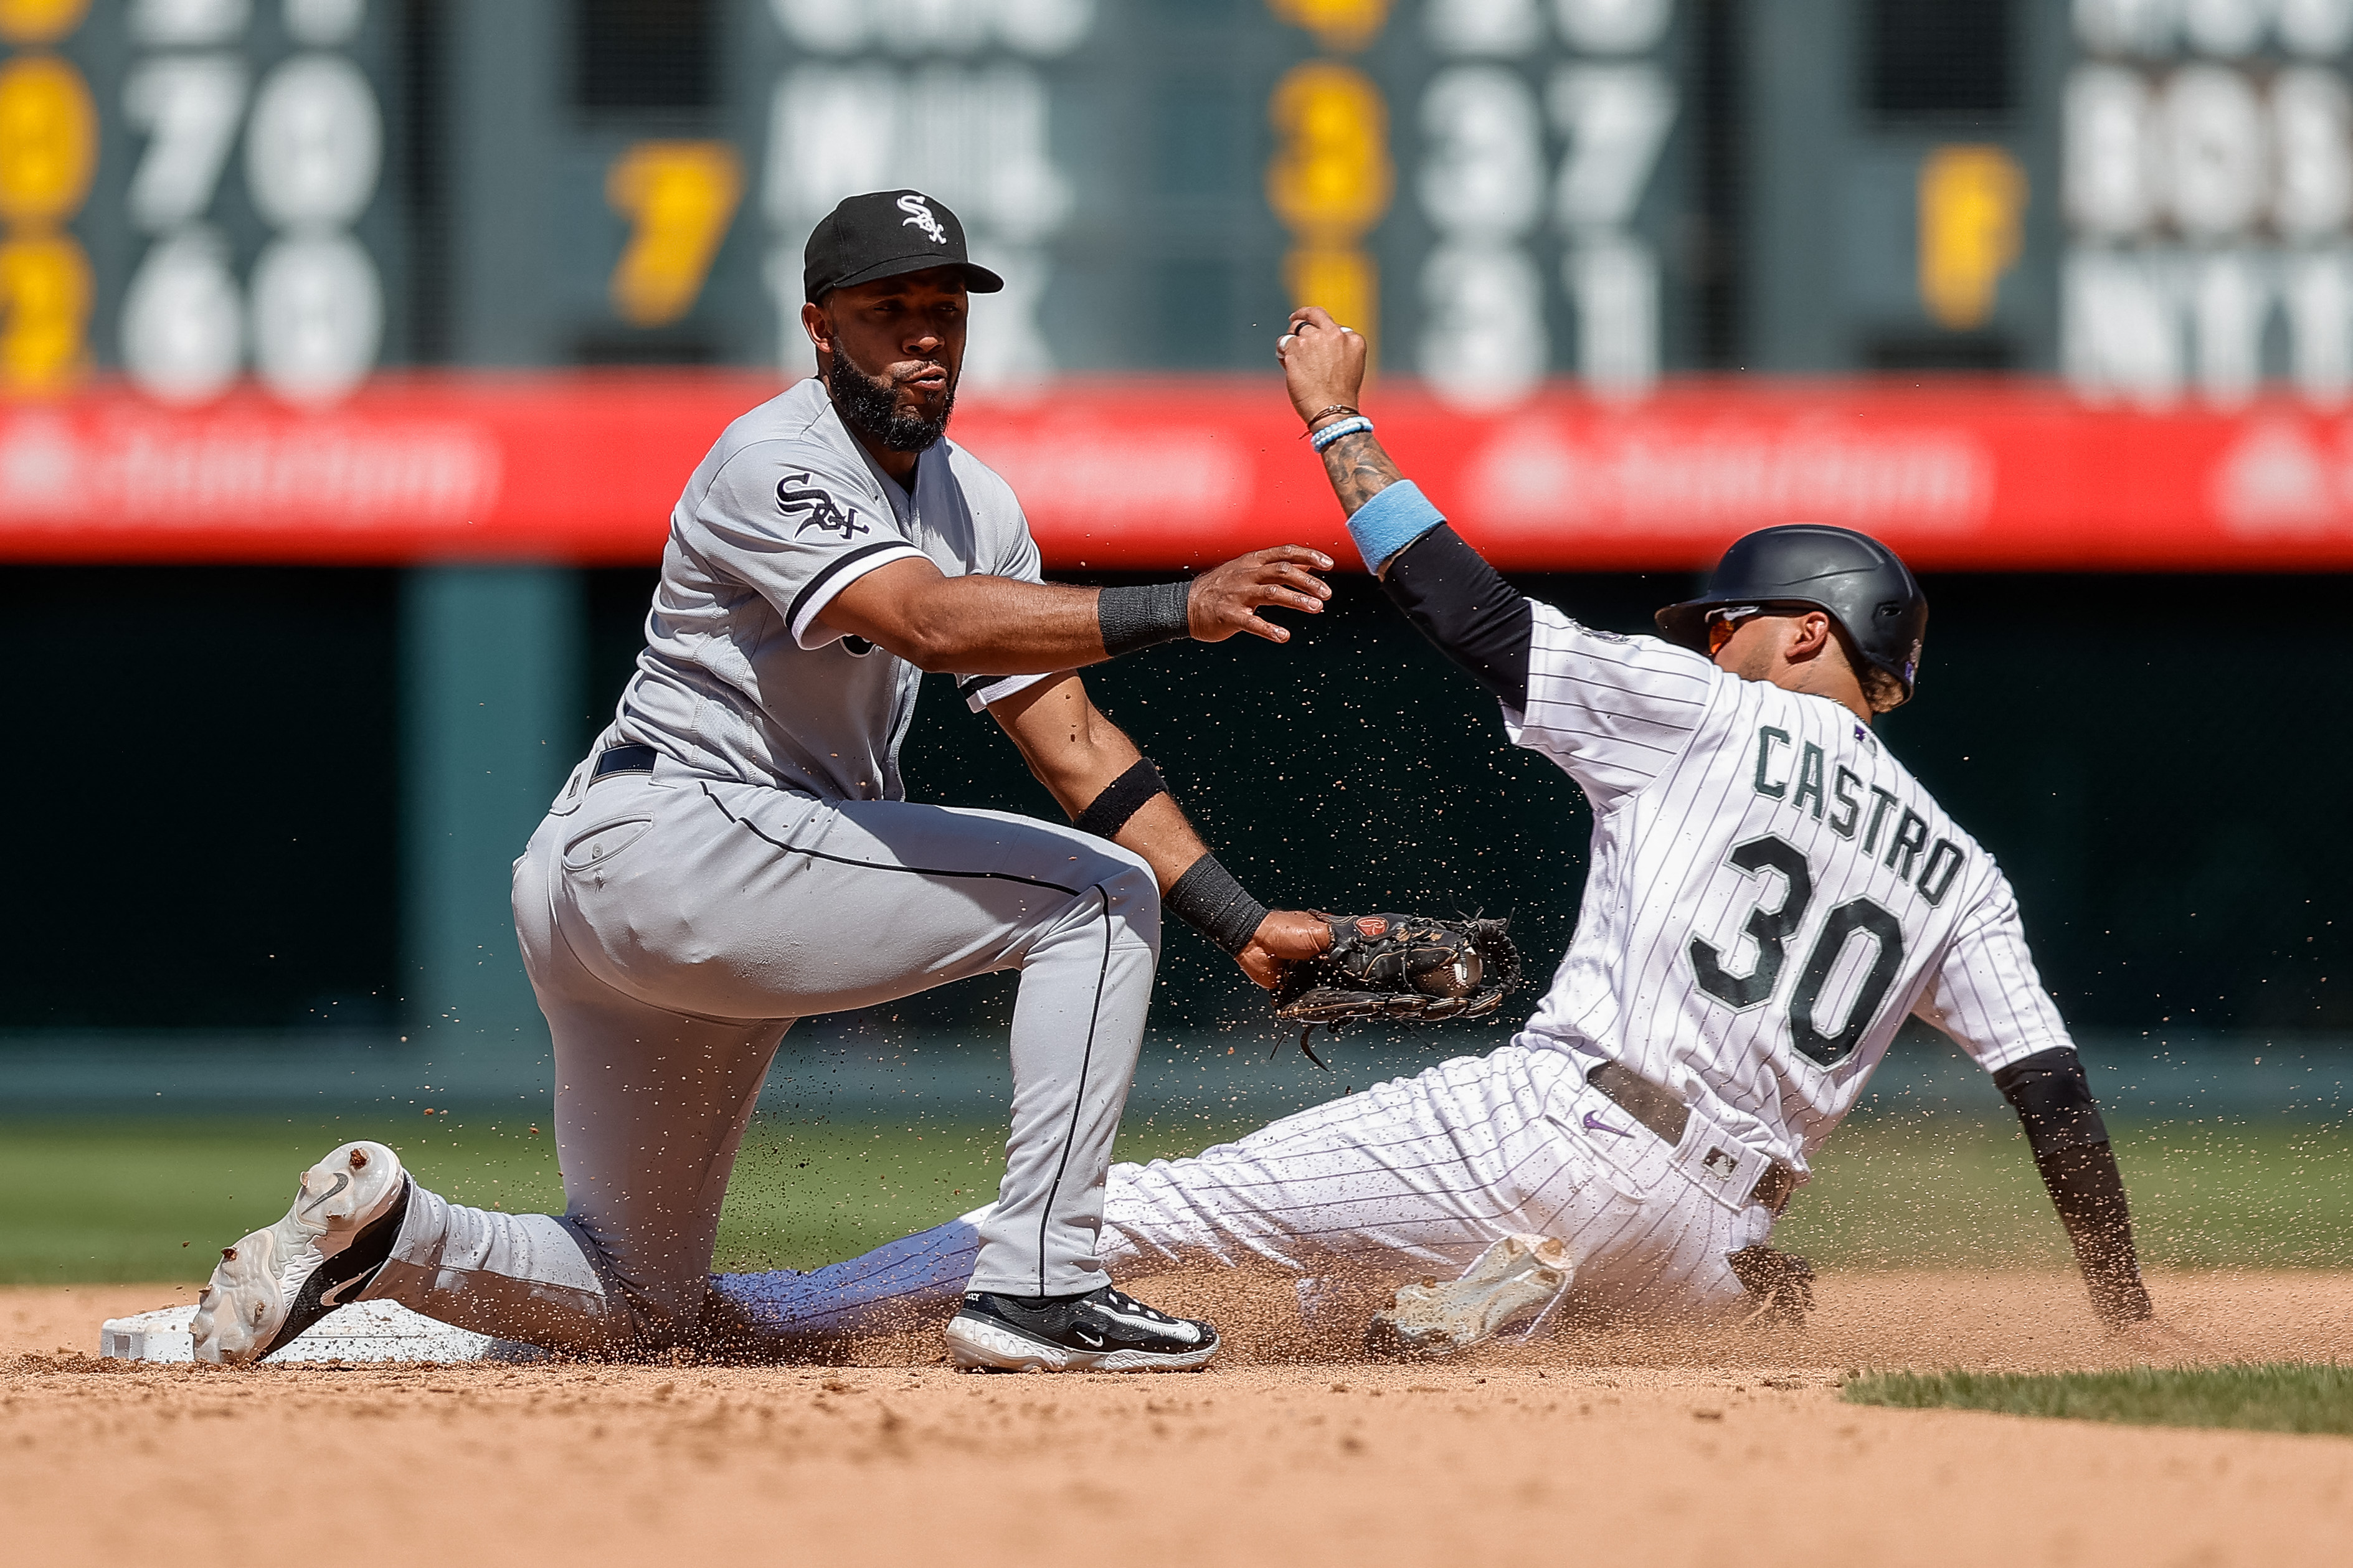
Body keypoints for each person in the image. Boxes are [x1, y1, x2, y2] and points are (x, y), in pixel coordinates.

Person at [708, 305, 2168, 1355]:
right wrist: (2123, 1317)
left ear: (1800, 637)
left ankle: (752, 1313)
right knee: (1340, 1309)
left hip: (1556, 1132)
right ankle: (1511, 1296)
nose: (1705, 640)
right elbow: (2052, 1096)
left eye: (1725, 622)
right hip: (1708, 1244)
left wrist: (1338, 424)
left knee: (1141, 1205)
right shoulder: (1957, 867)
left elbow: (1465, 611)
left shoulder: (1707, 710)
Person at [185, 191, 1337, 1374]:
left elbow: (1071, 741)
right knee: (1093, 897)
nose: (925, 335)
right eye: (888, 309)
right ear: (819, 327)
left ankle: (383, 1241)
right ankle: (1040, 1285)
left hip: (681, 881)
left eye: (943, 309)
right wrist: (1180, 606)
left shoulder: (975, 502)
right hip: (677, 839)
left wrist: (1238, 923)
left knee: (644, 1302)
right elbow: (926, 622)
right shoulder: (774, 456)